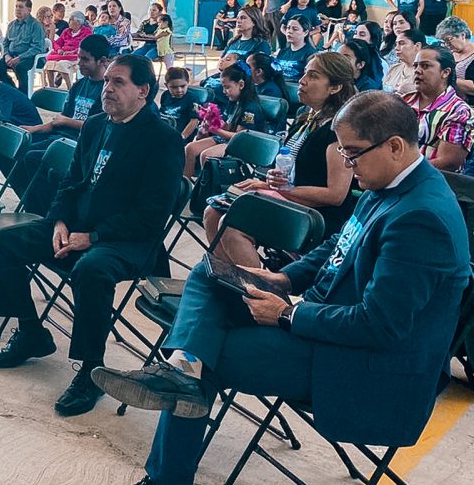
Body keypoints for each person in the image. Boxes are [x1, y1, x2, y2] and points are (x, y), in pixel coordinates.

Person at [92, 91, 471, 485]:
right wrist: (287, 279)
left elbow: (378, 325)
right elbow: (338, 243)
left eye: (352, 154)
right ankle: (182, 372)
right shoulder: (391, 181)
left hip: (364, 363)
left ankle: (170, 450)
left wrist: (288, 313)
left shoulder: (421, 219)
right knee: (212, 272)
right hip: (326, 326)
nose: (346, 164)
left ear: (394, 146)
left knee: (209, 355)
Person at [0, 54, 184, 417]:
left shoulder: (162, 139)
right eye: (107, 81)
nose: (106, 88)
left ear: (143, 90)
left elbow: (151, 216)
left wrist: (92, 237)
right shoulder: (95, 125)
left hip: (128, 241)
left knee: (91, 270)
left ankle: (91, 370)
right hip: (77, 227)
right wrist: (59, 221)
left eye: (117, 82)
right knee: (3, 242)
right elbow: (72, 183)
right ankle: (31, 332)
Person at [204, 52, 358, 268]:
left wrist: (279, 189)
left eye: (313, 76)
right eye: (305, 73)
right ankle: (232, 283)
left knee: (232, 224)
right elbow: (292, 168)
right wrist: (274, 180)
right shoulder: (306, 117)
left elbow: (336, 195)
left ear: (335, 87)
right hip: (293, 200)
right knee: (212, 213)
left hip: (316, 217)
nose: (302, 80)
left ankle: (263, 292)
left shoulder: (338, 130)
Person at [12, 35, 112, 202]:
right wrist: (33, 129)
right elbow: (59, 120)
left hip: (78, 143)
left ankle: (43, 206)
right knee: (17, 149)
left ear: (102, 61)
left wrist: (65, 122)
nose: (79, 63)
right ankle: (33, 202)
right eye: (79, 57)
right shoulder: (80, 85)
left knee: (31, 158)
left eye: (85, 59)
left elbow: (96, 127)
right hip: (60, 135)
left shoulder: (107, 91)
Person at [184, 62, 266, 177]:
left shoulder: (250, 108)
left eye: (227, 87)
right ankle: (186, 185)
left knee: (207, 156)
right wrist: (212, 120)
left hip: (242, 144)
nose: (224, 91)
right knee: (190, 148)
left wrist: (215, 130)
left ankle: (206, 189)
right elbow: (228, 125)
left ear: (241, 85)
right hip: (227, 140)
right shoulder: (233, 101)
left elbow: (239, 136)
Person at [403, 44, 473, 172]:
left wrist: (400, 170)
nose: (417, 70)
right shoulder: (403, 101)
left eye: (425, 66)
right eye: (416, 66)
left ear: (445, 72)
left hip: (433, 182)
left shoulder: (459, 111)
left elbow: (449, 162)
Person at [0, 0, 46, 91]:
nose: (18, 9)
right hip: (11, 56)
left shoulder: (35, 25)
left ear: (29, 9)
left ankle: (24, 94)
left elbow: (37, 48)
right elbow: (5, 43)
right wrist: (7, 55)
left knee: (20, 67)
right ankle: (12, 90)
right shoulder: (11, 25)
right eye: (16, 6)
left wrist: (19, 58)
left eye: (21, 7)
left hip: (31, 57)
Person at [44, 10, 93, 88]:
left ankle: (70, 89)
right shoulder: (66, 31)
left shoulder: (87, 32)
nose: (68, 21)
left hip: (76, 56)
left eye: (71, 19)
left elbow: (86, 46)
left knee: (62, 64)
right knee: (49, 64)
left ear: (78, 22)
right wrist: (59, 49)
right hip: (63, 54)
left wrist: (73, 51)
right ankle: (52, 87)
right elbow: (56, 43)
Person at [382, 16, 424, 94]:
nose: (396, 48)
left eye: (402, 43)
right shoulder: (393, 69)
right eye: (396, 44)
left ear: (417, 46)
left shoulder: (425, 73)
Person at [438, 16, 474, 103]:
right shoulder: (449, 54)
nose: (447, 44)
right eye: (444, 42)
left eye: (449, 40)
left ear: (462, 35)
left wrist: (448, 78)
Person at [158, 67, 200, 141]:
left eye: (183, 86)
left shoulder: (192, 98)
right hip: (165, 131)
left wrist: (182, 137)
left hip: (181, 134)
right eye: (174, 87)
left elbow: (194, 121)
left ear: (188, 82)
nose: (179, 90)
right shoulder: (165, 95)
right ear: (166, 85)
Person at [273, 15, 316, 81]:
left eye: (295, 29)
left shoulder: (311, 54)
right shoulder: (282, 52)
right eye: (288, 28)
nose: (289, 31)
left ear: (305, 33)